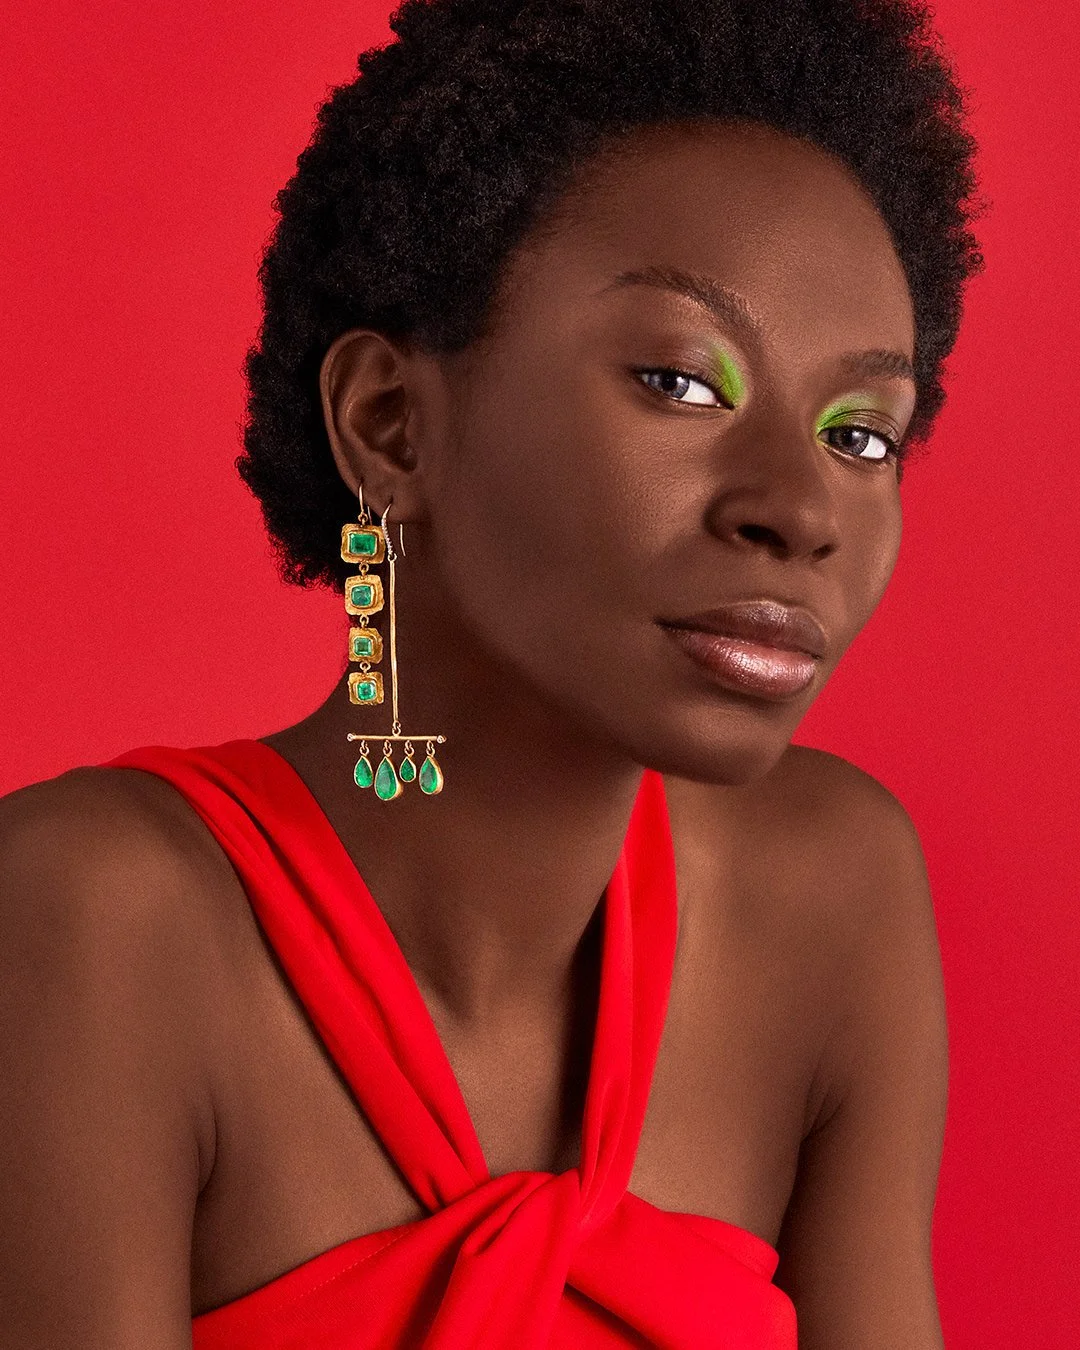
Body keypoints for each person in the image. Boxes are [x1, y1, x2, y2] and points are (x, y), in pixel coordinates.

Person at [0, 0, 984, 1345]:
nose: (800, 507)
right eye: (680, 381)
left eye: (863, 436)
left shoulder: (828, 898)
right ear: (390, 422)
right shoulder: (97, 926)